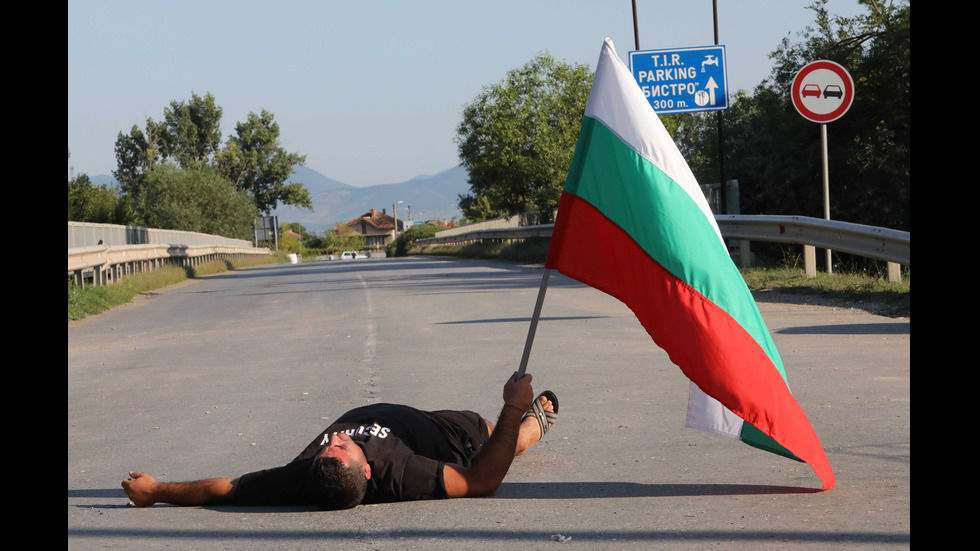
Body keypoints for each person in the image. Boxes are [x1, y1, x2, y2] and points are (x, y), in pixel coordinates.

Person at [122, 373, 558, 510]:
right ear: (367, 470)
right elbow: (481, 482)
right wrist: (512, 407)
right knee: (496, 442)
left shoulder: (304, 477)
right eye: (343, 447)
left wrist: (157, 491)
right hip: (446, 434)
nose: (333, 439)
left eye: (329, 447)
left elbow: (226, 488)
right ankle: (531, 428)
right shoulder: (401, 473)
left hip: (410, 417)